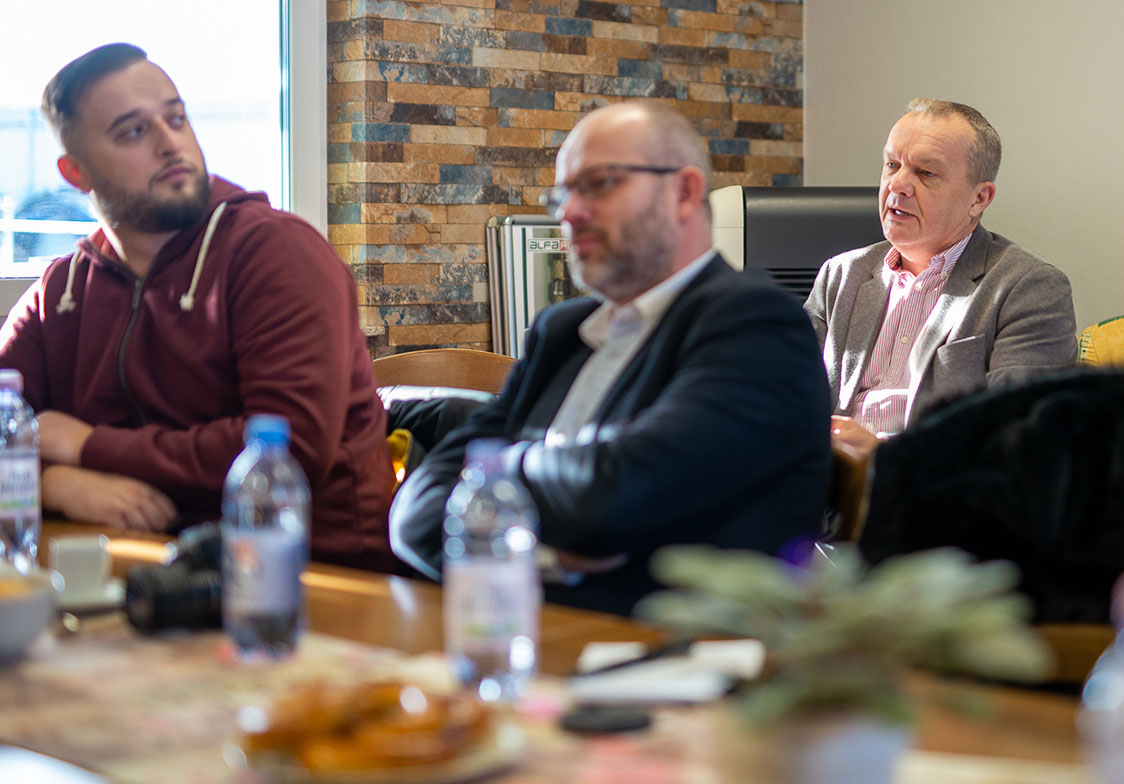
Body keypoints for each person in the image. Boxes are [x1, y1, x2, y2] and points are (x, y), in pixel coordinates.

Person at [390, 101, 831, 616]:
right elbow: (414, 520)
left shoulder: (756, 324)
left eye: (599, 184)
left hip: (675, 649)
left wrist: (493, 469)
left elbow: (613, 494)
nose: (569, 213)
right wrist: (541, 557)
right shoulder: (562, 333)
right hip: (523, 632)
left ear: (684, 193)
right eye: (562, 195)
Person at [0, 43, 400, 572]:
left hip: (314, 579)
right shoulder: (62, 290)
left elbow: (288, 448)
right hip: (133, 573)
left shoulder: (277, 253)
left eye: (176, 118)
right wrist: (54, 483)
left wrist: (89, 447)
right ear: (76, 173)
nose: (170, 144)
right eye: (133, 131)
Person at [804, 98, 1077, 452]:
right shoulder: (841, 275)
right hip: (819, 479)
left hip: (930, 483)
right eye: (892, 165)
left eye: (926, 173)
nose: (898, 185)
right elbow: (784, 391)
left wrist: (883, 457)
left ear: (979, 198)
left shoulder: (1028, 288)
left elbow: (1018, 440)